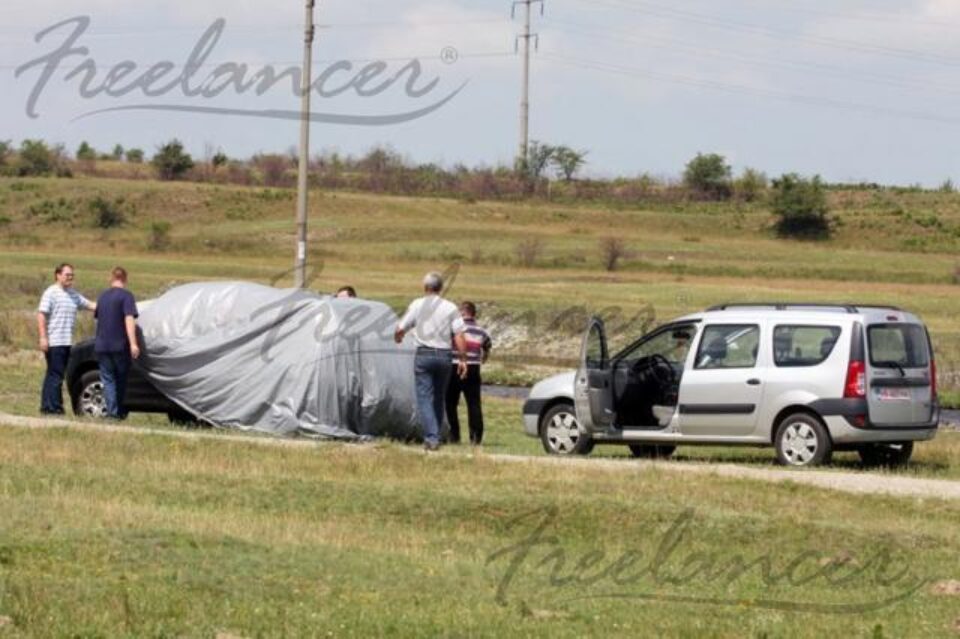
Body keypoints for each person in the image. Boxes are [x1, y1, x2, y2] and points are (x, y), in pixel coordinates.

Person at [395, 272, 468, 451]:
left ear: (425, 287)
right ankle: (437, 434)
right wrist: (463, 359)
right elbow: (459, 334)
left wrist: (398, 337)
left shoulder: (418, 304)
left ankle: (432, 437)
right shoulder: (450, 307)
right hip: (444, 356)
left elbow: (401, 327)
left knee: (424, 398)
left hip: (424, 354)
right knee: (438, 398)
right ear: (440, 288)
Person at [37, 263, 96, 415]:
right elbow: (41, 315)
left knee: (53, 374)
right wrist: (43, 337)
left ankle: (47, 406)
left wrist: (111, 304)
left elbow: (90, 305)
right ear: (58, 275)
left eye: (72, 275)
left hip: (66, 341)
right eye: (67, 274)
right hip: (54, 341)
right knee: (56, 375)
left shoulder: (72, 294)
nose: (70, 277)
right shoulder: (51, 292)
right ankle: (54, 408)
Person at [94, 267, 140, 419]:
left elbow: (98, 319)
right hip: (119, 345)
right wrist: (133, 343)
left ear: (111, 278)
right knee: (120, 379)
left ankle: (112, 412)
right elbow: (129, 319)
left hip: (101, 345)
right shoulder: (127, 297)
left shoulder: (102, 297)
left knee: (108, 380)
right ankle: (117, 413)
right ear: (125, 279)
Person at [445, 301, 492, 445]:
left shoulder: (454, 329)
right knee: (474, 404)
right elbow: (487, 345)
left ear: (462, 313)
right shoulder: (481, 331)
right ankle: (476, 438)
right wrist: (483, 358)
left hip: (454, 366)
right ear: (474, 313)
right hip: (473, 368)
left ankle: (454, 435)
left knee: (450, 403)